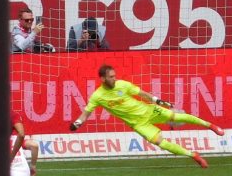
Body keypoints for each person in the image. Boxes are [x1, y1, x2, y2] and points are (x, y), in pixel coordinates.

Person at [70, 64, 224, 168]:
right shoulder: (98, 96)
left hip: (148, 111)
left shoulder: (123, 85)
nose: (114, 78)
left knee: (177, 117)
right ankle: (193, 155)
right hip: (138, 124)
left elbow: (142, 93)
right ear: (102, 79)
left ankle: (211, 126)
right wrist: (77, 123)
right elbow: (86, 113)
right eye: (111, 77)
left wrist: (158, 100)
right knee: (160, 143)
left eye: (114, 75)